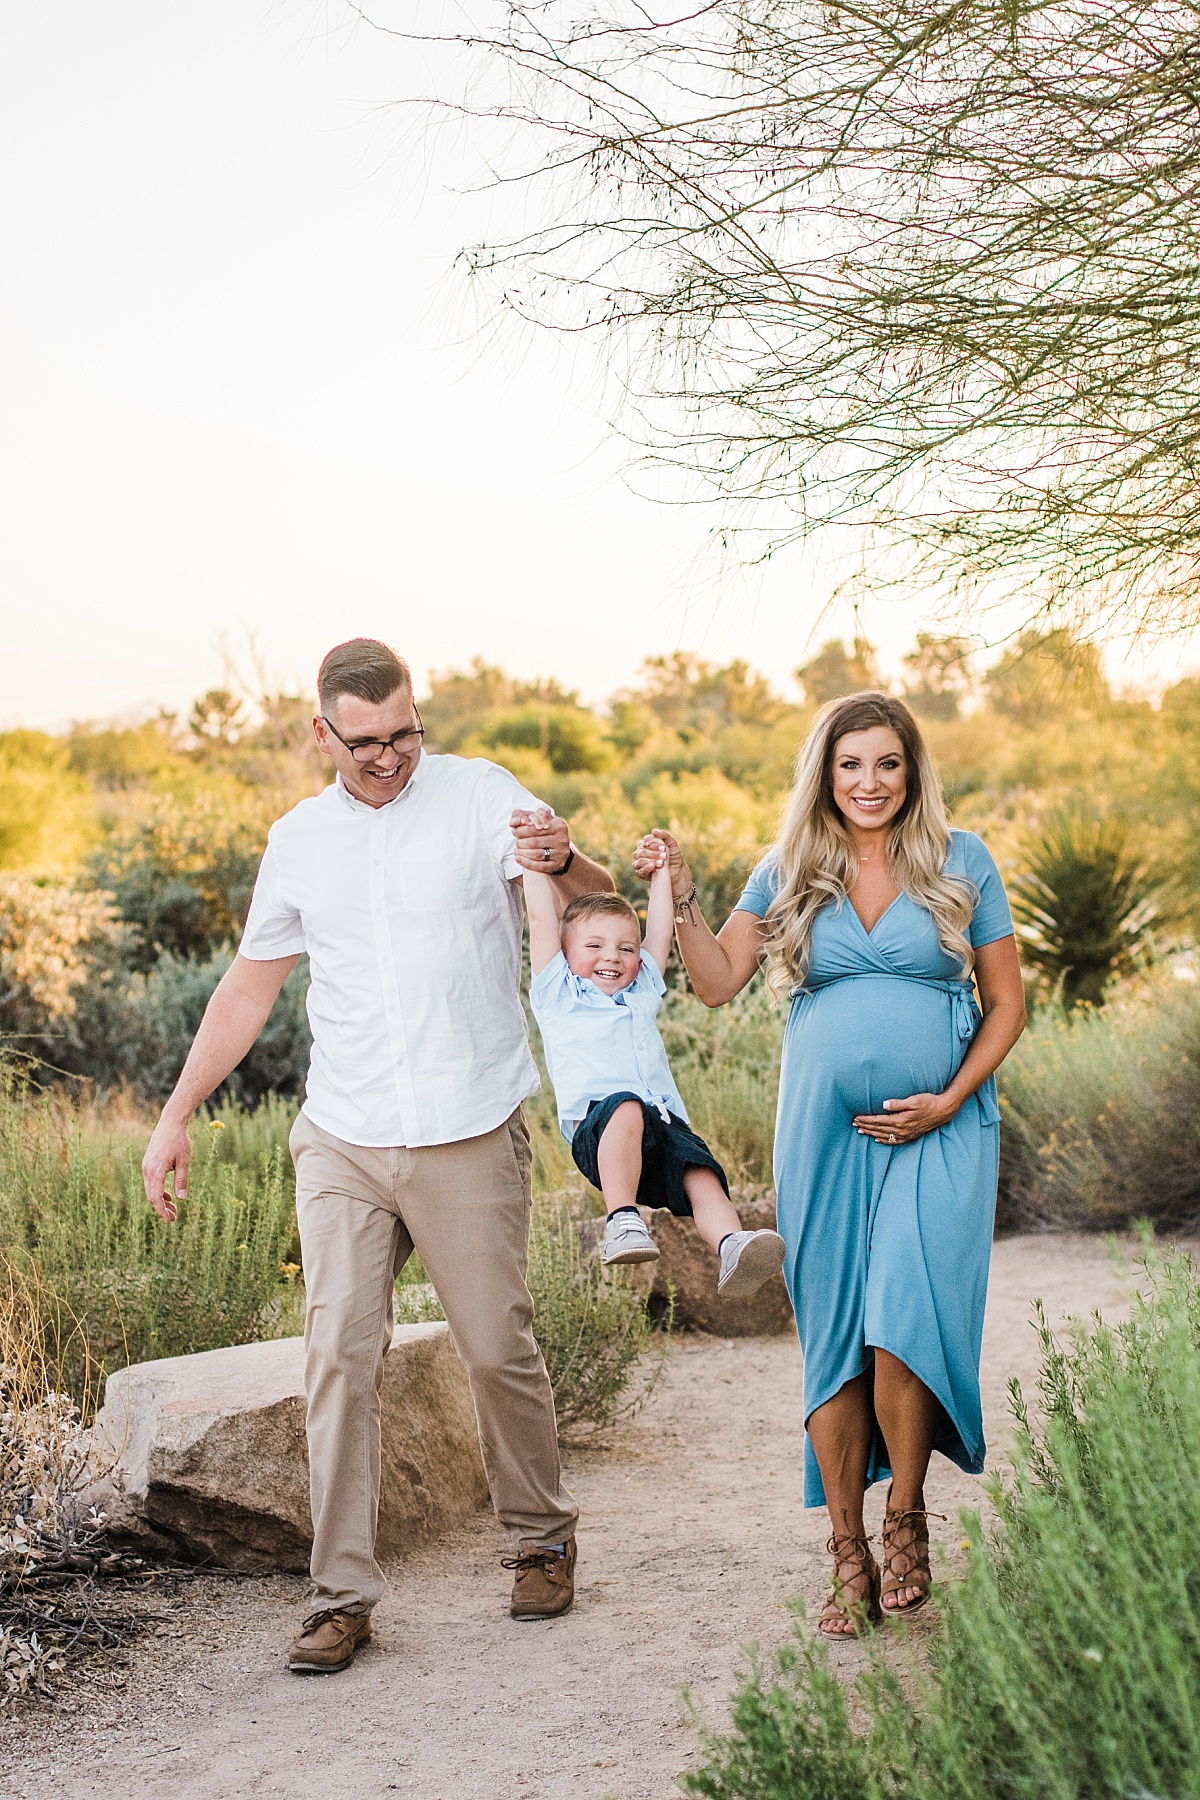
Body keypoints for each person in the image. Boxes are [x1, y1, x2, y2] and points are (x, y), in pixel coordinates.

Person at [141, 638, 617, 1673]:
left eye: (404, 733)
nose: (389, 756)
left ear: (417, 718)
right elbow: (247, 988)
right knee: (338, 1359)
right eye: (364, 741)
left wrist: (567, 854)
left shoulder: (482, 794)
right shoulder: (298, 840)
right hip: (345, 1137)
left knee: (496, 1348)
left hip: (470, 1124)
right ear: (324, 733)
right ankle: (340, 1596)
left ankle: (540, 1538)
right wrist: (176, 1114)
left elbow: (587, 893)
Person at [634, 692, 1026, 1637]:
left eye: (887, 763)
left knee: (905, 1317)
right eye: (851, 765)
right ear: (826, 772)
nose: (869, 783)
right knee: (838, 1335)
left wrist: (949, 1097)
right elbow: (720, 981)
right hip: (824, 1135)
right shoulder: (789, 868)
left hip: (942, 1131)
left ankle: (905, 1520)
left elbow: (1007, 1004)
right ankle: (846, 1550)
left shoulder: (961, 859)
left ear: (912, 771)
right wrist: (682, 895)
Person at [521, 814, 785, 1291]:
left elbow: (659, 931)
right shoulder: (559, 995)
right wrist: (532, 858)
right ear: (565, 954)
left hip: (661, 1124)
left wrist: (662, 872)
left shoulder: (641, 989)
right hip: (599, 1132)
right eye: (594, 945)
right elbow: (542, 919)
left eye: (625, 948)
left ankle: (730, 1244)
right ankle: (622, 1221)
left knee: (701, 1170)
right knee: (624, 1104)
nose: (612, 957)